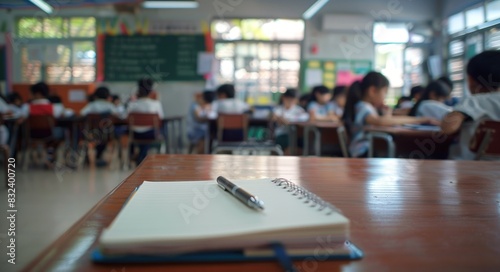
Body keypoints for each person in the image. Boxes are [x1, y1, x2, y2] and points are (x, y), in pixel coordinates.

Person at [342, 72, 436, 157]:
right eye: (385, 92)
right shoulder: (363, 106)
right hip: (362, 151)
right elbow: (380, 121)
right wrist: (419, 119)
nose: (385, 96)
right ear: (372, 91)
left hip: (366, 150)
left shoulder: (365, 106)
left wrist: (387, 114)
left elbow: (381, 121)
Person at [441, 51, 500, 160]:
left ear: (471, 80)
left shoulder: (474, 101)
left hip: (470, 170)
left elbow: (448, 128)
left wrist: (451, 116)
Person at [20, 82, 65, 166]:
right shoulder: (54, 107)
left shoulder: (26, 107)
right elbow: (62, 115)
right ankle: (51, 157)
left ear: (37, 94)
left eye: (31, 93)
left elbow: (21, 118)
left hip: (31, 135)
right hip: (49, 134)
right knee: (61, 132)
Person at [127, 78, 165, 165]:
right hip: (151, 134)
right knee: (159, 129)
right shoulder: (156, 104)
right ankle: (142, 157)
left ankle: (138, 156)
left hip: (134, 134)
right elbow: (161, 118)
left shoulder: (132, 104)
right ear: (151, 91)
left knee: (138, 134)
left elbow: (127, 117)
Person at [272, 88, 309, 153]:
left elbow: (305, 118)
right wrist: (282, 120)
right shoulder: (278, 109)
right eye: (288, 99)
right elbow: (275, 119)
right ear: (283, 98)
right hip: (283, 134)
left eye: (293, 99)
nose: (290, 101)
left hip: (297, 134)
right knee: (290, 143)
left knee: (303, 142)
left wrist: (286, 120)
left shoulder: (299, 110)